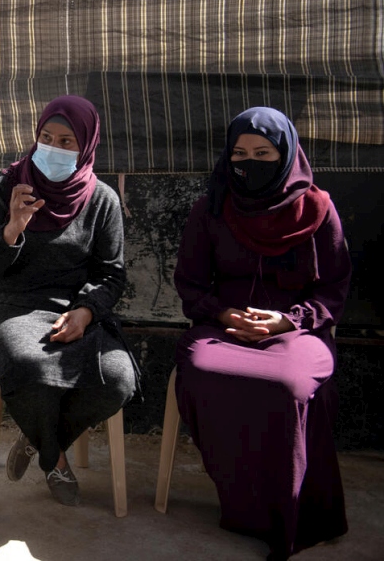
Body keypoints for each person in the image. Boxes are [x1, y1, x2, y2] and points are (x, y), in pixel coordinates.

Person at [173, 106, 351, 559]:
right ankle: (242, 506)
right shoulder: (212, 208)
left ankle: (285, 516)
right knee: (199, 368)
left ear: (287, 154)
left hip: (299, 331)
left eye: (263, 153)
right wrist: (225, 314)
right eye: (239, 153)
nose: (249, 163)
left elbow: (333, 289)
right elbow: (191, 283)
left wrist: (288, 320)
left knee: (286, 385)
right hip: (224, 326)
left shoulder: (318, 210)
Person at [0, 95, 137, 506]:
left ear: (86, 145)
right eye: (46, 137)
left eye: (66, 141)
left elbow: (111, 274)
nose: (53, 149)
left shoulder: (101, 200)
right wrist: (12, 229)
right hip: (8, 306)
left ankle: (39, 436)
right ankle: (55, 458)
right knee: (30, 366)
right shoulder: (9, 185)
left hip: (73, 310)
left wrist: (86, 311)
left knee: (118, 379)